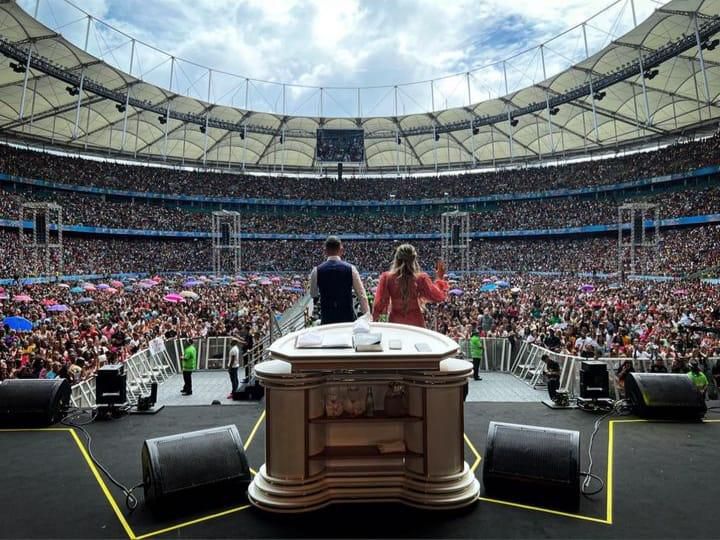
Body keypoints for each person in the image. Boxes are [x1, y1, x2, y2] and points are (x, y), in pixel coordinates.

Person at [372, 244, 448, 328]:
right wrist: (439, 279)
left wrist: (373, 321)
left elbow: (378, 305)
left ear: (396, 259)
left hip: (396, 322)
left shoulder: (387, 278)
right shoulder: (421, 278)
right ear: (414, 259)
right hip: (416, 323)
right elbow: (438, 296)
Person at [309, 236, 370, 325]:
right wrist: (367, 315)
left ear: (325, 251)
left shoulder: (316, 270)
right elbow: (361, 295)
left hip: (327, 319)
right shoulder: (351, 269)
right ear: (341, 250)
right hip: (347, 319)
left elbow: (313, 294)